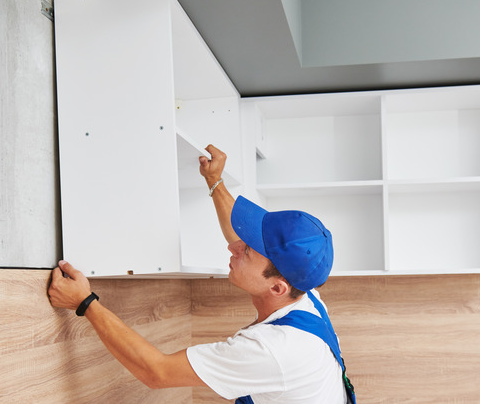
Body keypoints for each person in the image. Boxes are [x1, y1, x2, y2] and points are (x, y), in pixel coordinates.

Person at [48, 145, 354, 403]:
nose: (234, 248)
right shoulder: (304, 294)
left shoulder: (274, 350)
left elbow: (158, 372)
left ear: (277, 288)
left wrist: (84, 302)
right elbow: (237, 237)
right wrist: (215, 182)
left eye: (246, 251)